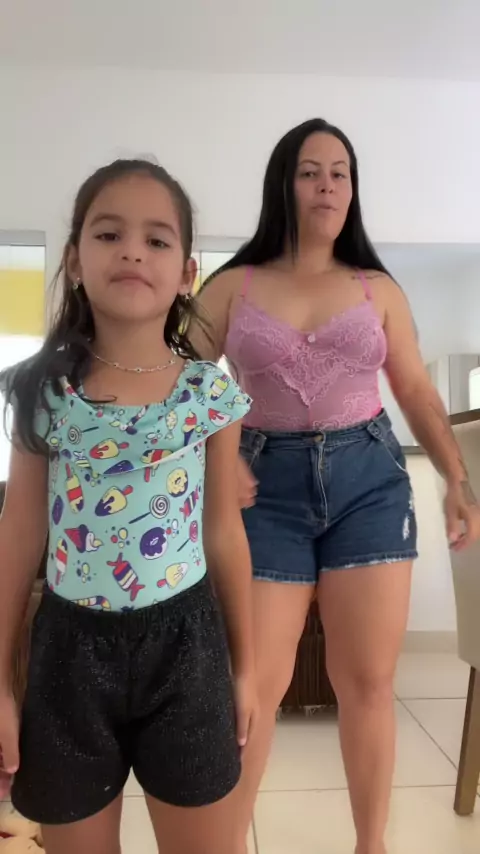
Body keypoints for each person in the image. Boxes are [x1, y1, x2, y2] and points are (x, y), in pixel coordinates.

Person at [194, 118, 480, 854]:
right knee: (253, 688)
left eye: (340, 173)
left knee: (369, 684)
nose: (326, 185)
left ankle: (369, 846)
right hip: (263, 493)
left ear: (353, 191)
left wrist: (457, 476)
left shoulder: (376, 288)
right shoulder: (232, 285)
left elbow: (414, 390)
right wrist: (217, 459)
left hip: (369, 485)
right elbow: (178, 382)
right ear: (283, 185)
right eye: (310, 171)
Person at [0, 159, 256, 854]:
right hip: (68, 655)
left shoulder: (208, 394)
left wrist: (246, 668)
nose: (133, 252)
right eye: (109, 234)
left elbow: (223, 533)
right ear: (74, 261)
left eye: (157, 239)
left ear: (187, 273)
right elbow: (18, 533)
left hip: (188, 648)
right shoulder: (41, 391)